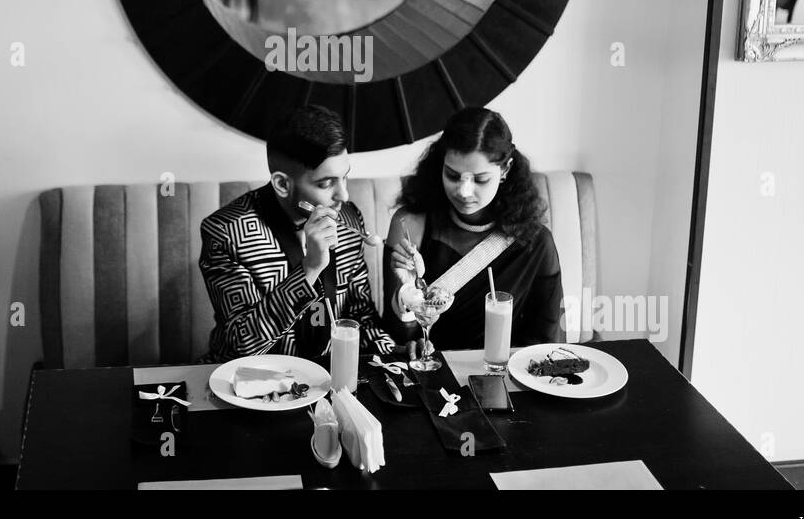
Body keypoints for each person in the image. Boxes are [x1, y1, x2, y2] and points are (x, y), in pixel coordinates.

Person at [199, 104, 394, 362]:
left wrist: (395, 352)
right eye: (326, 184)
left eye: (344, 178)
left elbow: (360, 317)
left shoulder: (348, 219)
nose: (343, 195)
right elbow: (243, 344)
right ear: (282, 184)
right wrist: (309, 268)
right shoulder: (226, 233)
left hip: (329, 377)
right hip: (250, 381)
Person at [383, 106, 564, 351]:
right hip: (431, 374)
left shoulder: (536, 242)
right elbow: (395, 335)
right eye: (453, 175)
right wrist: (406, 297)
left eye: (480, 179)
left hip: (501, 374)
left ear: (505, 170)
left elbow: (546, 340)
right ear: (441, 165)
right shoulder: (410, 225)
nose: (464, 192)